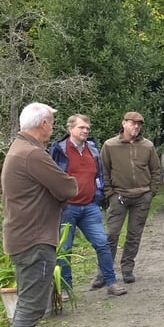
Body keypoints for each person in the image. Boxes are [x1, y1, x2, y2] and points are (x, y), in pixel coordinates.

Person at [0, 102, 78, 327]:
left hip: (24, 237)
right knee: (32, 307)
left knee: (27, 304)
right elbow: (68, 187)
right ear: (43, 124)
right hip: (34, 239)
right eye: (52, 122)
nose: (53, 127)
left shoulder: (20, 149)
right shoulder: (32, 154)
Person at [48, 114, 127, 297]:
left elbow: (98, 175)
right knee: (65, 249)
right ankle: (66, 289)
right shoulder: (59, 150)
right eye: (81, 128)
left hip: (89, 207)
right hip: (67, 208)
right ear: (70, 129)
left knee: (102, 244)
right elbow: (51, 176)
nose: (85, 131)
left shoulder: (92, 149)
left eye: (87, 128)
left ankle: (111, 282)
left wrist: (97, 197)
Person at [100, 111, 162, 284]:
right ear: (123, 123)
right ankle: (104, 271)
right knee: (111, 234)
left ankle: (127, 269)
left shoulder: (147, 146)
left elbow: (156, 170)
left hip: (142, 196)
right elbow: (103, 170)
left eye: (138, 124)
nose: (136, 126)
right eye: (132, 123)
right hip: (118, 196)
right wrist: (109, 193)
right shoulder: (110, 145)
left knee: (134, 235)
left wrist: (151, 192)